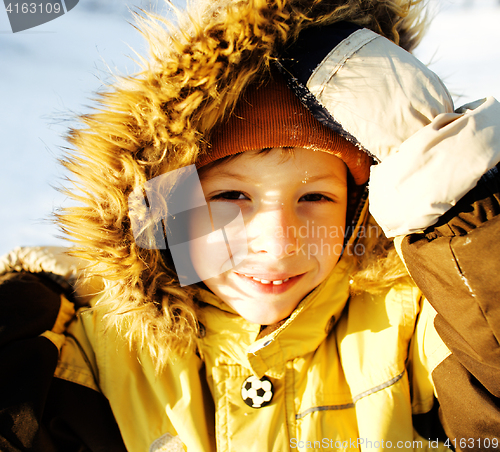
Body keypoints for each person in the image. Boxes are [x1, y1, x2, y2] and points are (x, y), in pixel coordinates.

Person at [1, 0, 500, 451]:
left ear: (358, 209)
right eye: (231, 196)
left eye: (315, 196)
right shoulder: (86, 350)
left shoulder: (425, 323)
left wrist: (454, 204)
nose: (279, 242)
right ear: (165, 207)